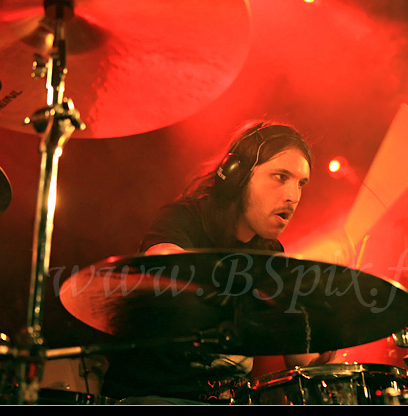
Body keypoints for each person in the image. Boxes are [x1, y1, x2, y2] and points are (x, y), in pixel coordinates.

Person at [100, 120, 337, 404]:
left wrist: (329, 340)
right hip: (153, 397)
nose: (293, 196)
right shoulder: (184, 219)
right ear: (236, 176)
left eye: (301, 184)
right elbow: (162, 260)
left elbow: (300, 358)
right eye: (280, 177)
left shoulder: (272, 255)